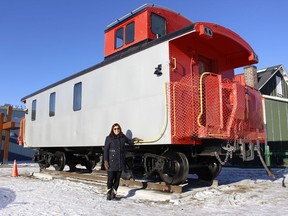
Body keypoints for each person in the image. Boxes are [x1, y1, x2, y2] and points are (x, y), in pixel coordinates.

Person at [103, 123, 140, 200]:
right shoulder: (109, 138)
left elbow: (129, 142)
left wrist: (134, 140)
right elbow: (106, 150)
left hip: (120, 162)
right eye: (115, 129)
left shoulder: (123, 137)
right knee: (110, 179)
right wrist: (106, 161)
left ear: (120, 129)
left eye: (118, 129)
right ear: (112, 130)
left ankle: (114, 193)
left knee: (117, 179)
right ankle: (109, 192)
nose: (116, 130)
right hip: (111, 162)